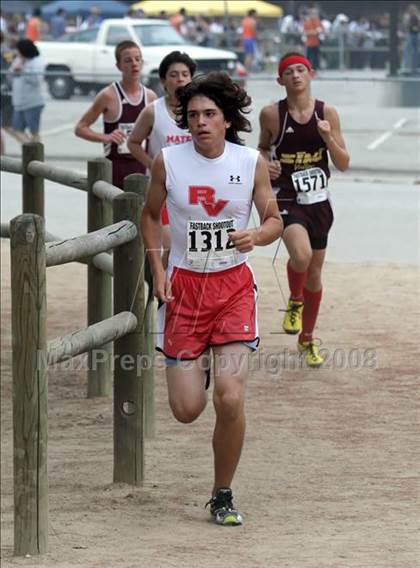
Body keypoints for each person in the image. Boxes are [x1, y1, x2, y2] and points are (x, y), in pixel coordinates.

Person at [141, 72, 283, 526]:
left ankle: (222, 493)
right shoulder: (169, 160)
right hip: (183, 288)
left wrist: (257, 235)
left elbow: (275, 219)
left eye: (210, 114)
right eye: (193, 115)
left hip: (233, 288)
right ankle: (199, 364)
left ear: (226, 120)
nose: (200, 122)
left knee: (230, 399)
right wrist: (158, 269)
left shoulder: (250, 161)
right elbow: (148, 216)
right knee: (186, 411)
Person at [258, 52, 349, 367]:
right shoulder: (271, 114)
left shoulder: (328, 113)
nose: (295, 75)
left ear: (311, 74)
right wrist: (265, 164)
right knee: (301, 255)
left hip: (319, 201)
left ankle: (307, 339)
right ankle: (294, 300)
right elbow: (262, 148)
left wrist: (327, 137)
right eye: (288, 71)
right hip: (286, 198)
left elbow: (344, 163)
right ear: (279, 80)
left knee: (315, 275)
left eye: (300, 70)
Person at [128, 51, 196, 264]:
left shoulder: (200, 111)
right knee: (171, 244)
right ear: (164, 81)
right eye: (174, 75)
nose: (180, 79)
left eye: (185, 74)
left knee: (189, 247)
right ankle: (163, 292)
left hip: (194, 189)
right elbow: (133, 142)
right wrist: (153, 165)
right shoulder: (152, 111)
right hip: (163, 190)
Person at [74, 41, 156, 189]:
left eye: (138, 59)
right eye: (128, 60)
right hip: (115, 173)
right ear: (118, 66)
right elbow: (80, 128)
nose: (134, 64)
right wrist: (106, 137)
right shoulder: (108, 95)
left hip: (143, 173)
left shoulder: (150, 97)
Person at [9, 38, 46, 143]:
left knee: (34, 132)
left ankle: (36, 152)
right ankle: (30, 149)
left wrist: (23, 70)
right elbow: (10, 74)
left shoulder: (36, 62)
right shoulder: (19, 59)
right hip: (18, 102)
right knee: (16, 129)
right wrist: (15, 70)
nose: (17, 52)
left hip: (32, 103)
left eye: (18, 50)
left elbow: (37, 80)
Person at [401, 4, 419, 74]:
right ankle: (406, 67)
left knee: (416, 51)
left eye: (414, 10)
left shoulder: (418, 16)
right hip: (409, 34)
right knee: (408, 50)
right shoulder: (406, 16)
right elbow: (405, 25)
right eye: (411, 10)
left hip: (417, 34)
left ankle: (415, 67)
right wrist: (410, 21)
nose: (413, 11)